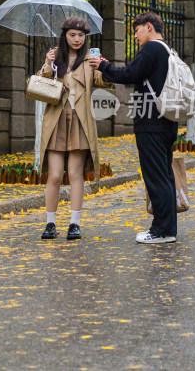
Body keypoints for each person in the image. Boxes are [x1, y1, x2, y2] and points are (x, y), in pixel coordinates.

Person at [93, 11, 179, 244]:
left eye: (137, 31)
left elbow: (130, 74)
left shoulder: (152, 49)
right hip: (166, 122)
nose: (136, 37)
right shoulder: (167, 50)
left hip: (151, 122)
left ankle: (161, 231)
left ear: (148, 27)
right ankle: (166, 229)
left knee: (156, 178)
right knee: (165, 176)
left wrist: (103, 66)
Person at [38, 17, 112, 241]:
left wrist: (104, 68)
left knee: (75, 174)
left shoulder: (90, 59)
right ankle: (50, 223)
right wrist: (48, 64)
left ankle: (74, 224)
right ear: (65, 36)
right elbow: (41, 84)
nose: (77, 39)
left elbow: (103, 81)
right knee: (54, 175)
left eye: (81, 35)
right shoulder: (54, 57)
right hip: (56, 121)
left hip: (80, 121)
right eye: (72, 35)